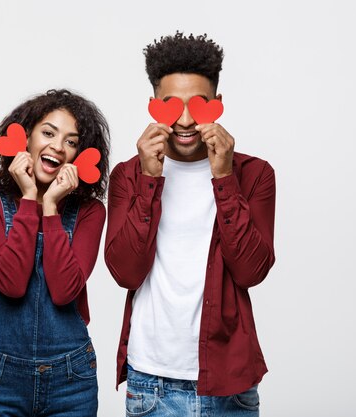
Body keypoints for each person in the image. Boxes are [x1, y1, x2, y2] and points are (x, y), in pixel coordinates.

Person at [105, 32, 276, 416]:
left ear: (217, 105)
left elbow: (251, 270)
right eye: (170, 106)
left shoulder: (255, 174)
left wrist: (224, 178)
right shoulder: (128, 176)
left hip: (229, 384)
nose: (184, 121)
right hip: (151, 380)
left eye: (198, 106)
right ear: (153, 106)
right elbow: (125, 272)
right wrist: (149, 180)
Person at [0, 89, 110, 416]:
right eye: (48, 133)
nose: (58, 146)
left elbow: (64, 291)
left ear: (79, 156)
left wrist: (52, 208)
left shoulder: (90, 213)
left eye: (71, 141)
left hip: (71, 378)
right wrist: (30, 199)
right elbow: (10, 282)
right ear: (24, 139)